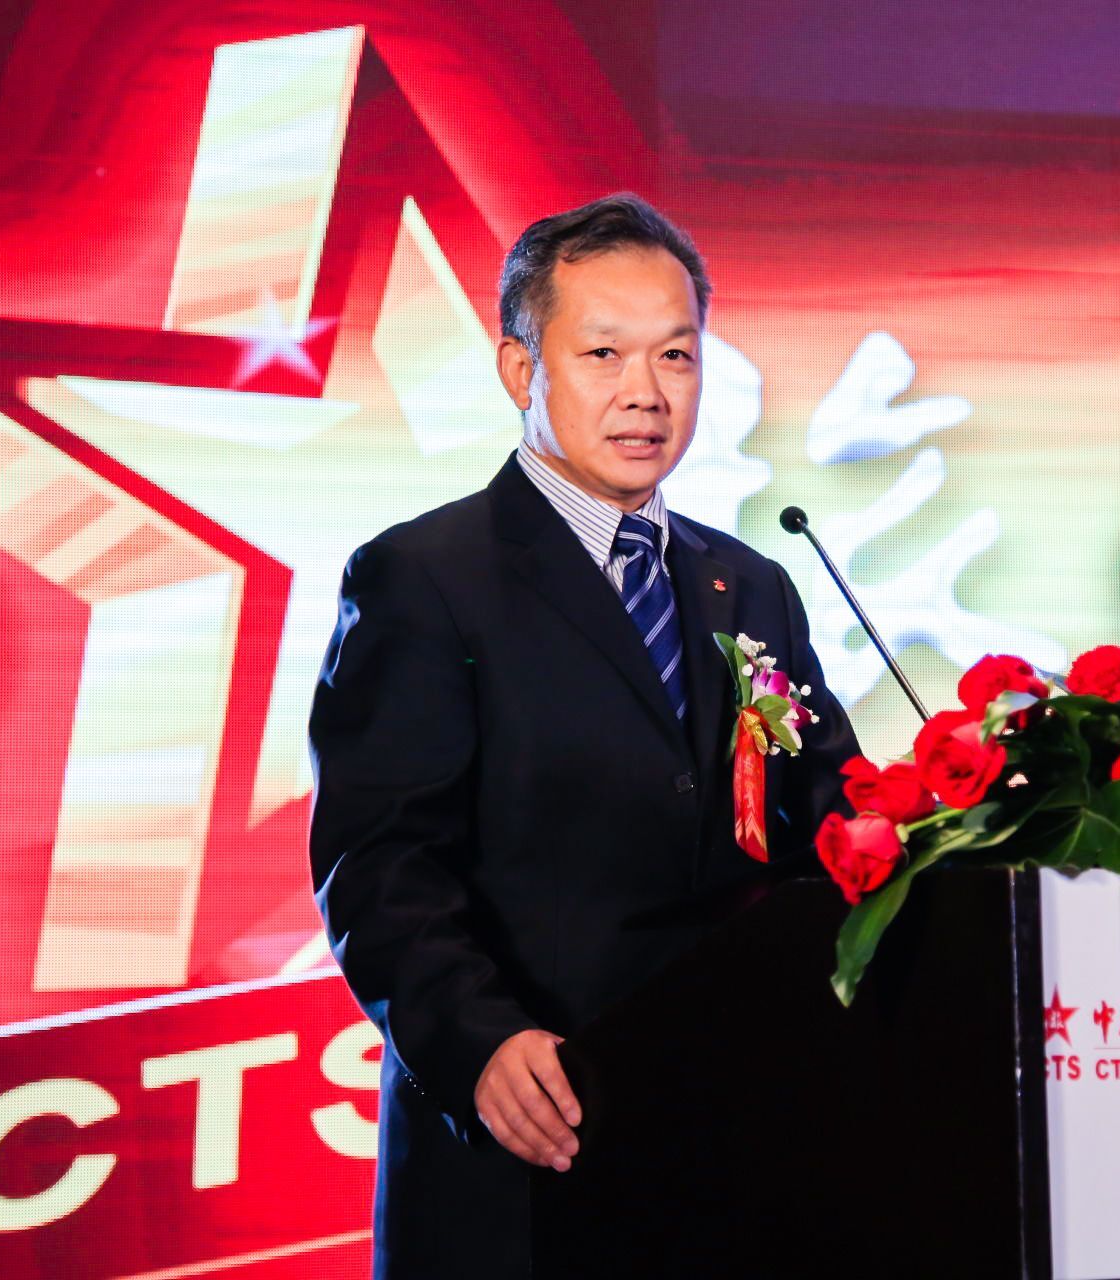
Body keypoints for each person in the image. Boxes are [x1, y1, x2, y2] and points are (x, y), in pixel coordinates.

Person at [307, 193, 861, 1278]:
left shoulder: (749, 583)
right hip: (529, 1137)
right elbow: (380, 860)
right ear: (522, 370)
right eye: (604, 353)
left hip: (733, 1139)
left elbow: (829, 809)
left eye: (676, 356)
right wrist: (478, 1042)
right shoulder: (425, 577)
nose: (645, 392)